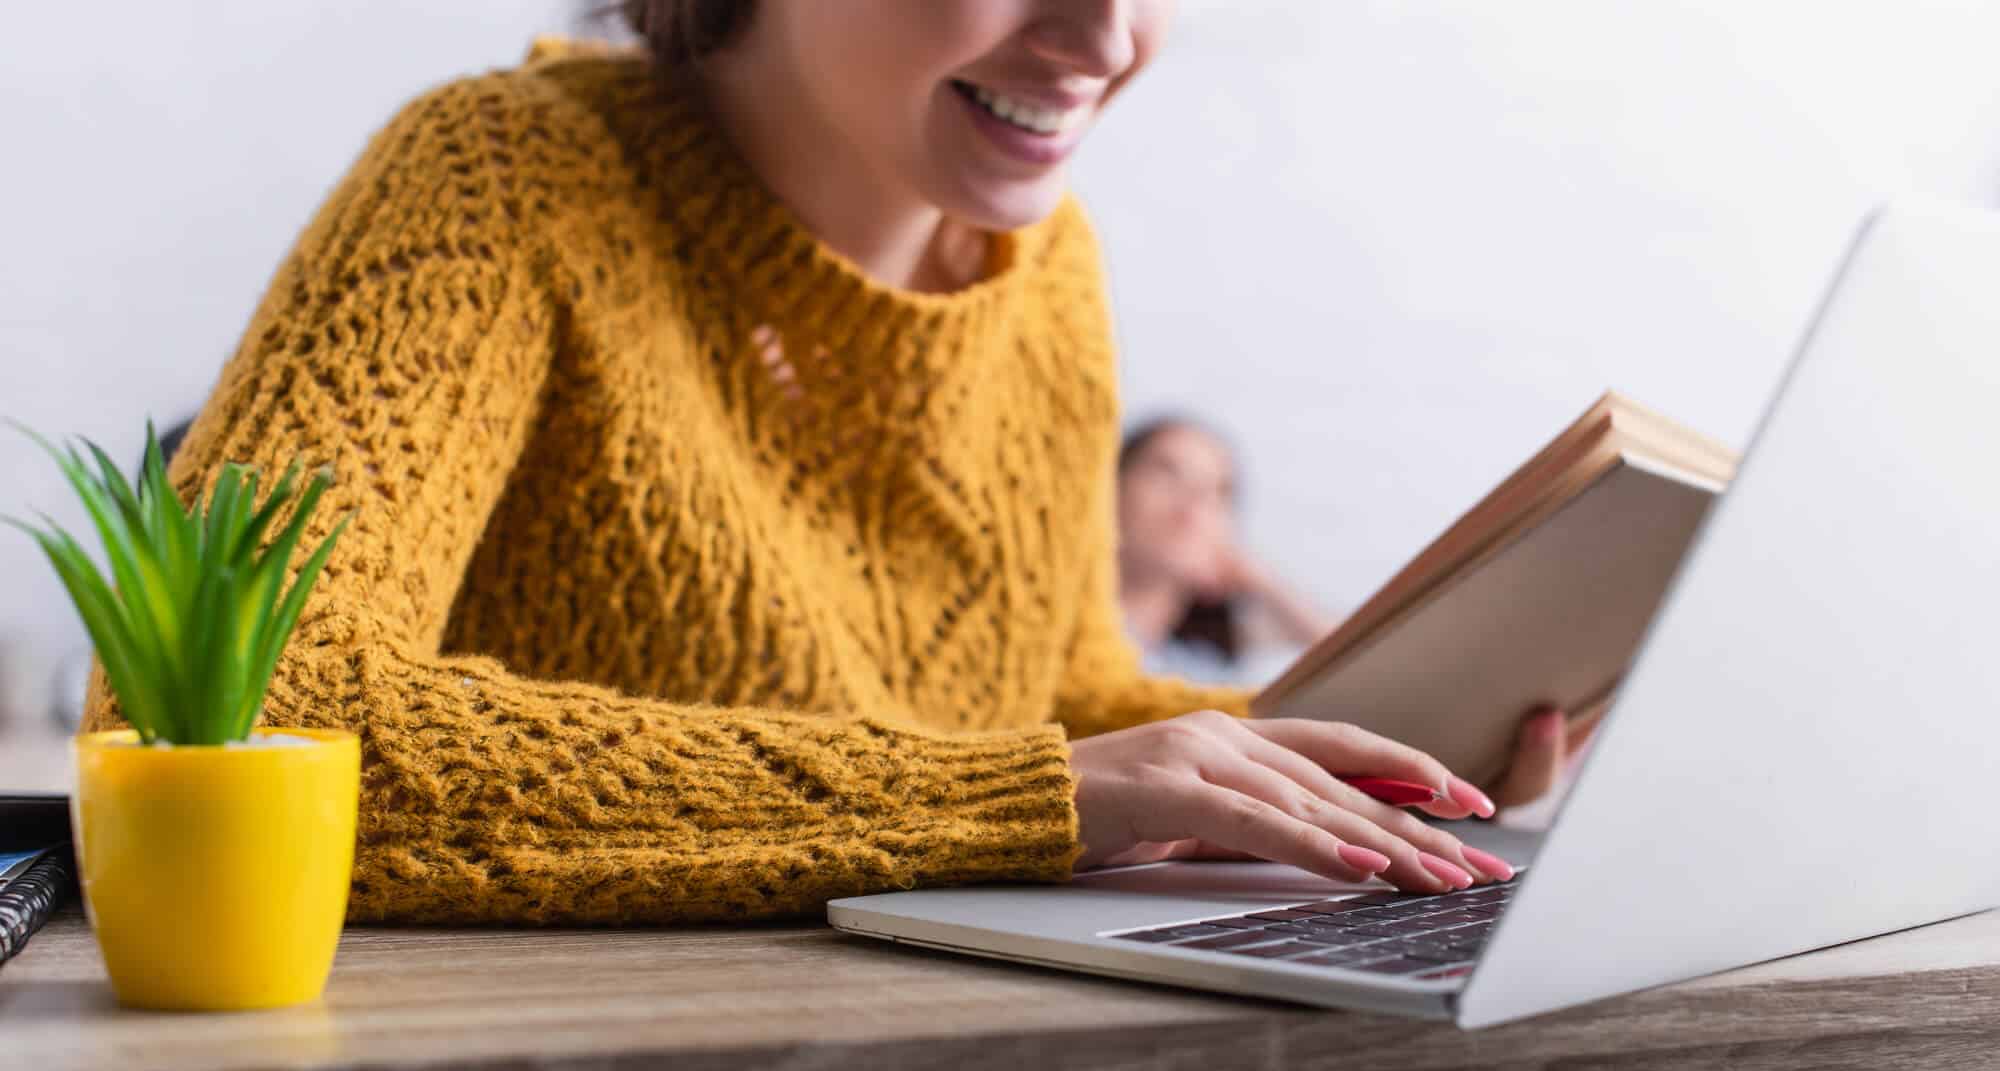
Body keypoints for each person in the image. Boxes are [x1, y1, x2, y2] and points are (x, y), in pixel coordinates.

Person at [82, 0, 1577, 926]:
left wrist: (1383, 747)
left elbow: (1056, 704)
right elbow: (228, 713)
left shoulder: (1045, 273)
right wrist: (1012, 801)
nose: (1110, 35)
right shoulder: (494, 182)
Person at [1116, 415, 1333, 687]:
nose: (1191, 508)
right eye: (1167, 475)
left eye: (1215, 493)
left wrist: (1258, 579)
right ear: (1112, 489)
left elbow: (1356, 661)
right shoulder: (1065, 641)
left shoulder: (1199, 671)